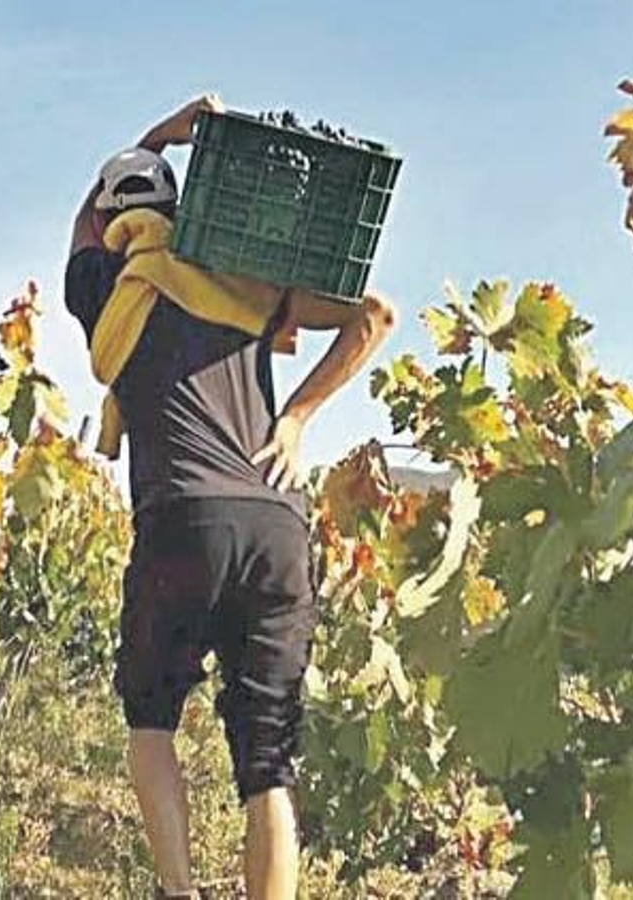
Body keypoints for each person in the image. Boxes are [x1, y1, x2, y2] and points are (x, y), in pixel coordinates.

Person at [64, 93, 396, 900]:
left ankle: (180, 894)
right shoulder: (241, 278)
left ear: (118, 219)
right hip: (276, 527)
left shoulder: (105, 285)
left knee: (150, 722)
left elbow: (86, 214)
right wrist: (297, 420)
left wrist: (157, 136)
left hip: (183, 518)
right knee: (267, 765)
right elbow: (374, 314)